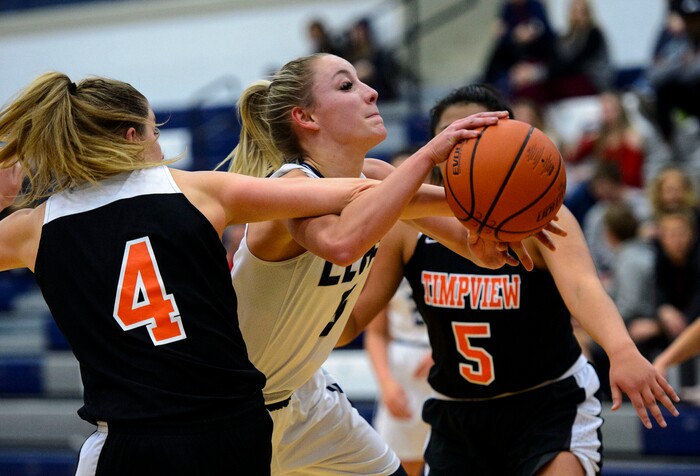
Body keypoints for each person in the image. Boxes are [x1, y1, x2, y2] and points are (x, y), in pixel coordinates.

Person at [0, 71, 417, 476]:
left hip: (132, 437)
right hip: (232, 427)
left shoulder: (33, 228)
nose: (160, 149)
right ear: (132, 139)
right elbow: (349, 190)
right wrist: (424, 168)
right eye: (154, 133)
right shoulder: (193, 190)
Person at [225, 53, 556, 476]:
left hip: (306, 397)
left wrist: (504, 226)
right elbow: (341, 242)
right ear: (305, 117)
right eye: (347, 86)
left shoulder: (377, 176)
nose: (371, 91)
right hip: (231, 406)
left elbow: (465, 222)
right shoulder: (291, 185)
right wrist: (427, 156)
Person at [348, 83, 680, 476]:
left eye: (476, 135)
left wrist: (621, 349)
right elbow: (356, 320)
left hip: (546, 403)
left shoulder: (541, 214)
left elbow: (581, 286)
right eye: (453, 137)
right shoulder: (406, 226)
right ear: (434, 154)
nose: (463, 145)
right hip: (458, 413)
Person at [363, 149, 436, 476]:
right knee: (399, 468)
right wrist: (387, 383)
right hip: (403, 367)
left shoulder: (453, 238)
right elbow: (375, 330)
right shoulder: (385, 242)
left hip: (451, 366)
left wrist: (447, 351)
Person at [653, 207, 700, 388]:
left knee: (683, 330)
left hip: (689, 320)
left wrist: (684, 319)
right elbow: (658, 295)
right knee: (637, 332)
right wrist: (663, 311)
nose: (677, 240)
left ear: (693, 234)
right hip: (671, 322)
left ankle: (687, 397)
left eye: (681, 233)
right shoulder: (660, 259)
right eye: (671, 234)